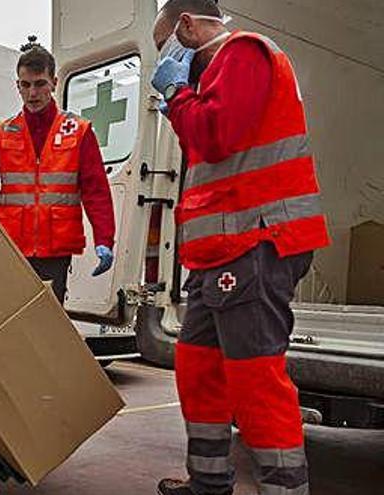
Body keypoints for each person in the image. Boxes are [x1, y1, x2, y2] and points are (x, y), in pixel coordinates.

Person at [150, 1, 330, 494]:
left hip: (256, 242)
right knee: (198, 367)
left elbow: (216, 137)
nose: (164, 62)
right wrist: (183, 99)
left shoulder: (243, 53)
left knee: (254, 379)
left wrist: (175, 91)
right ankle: (209, 483)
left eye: (164, 46)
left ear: (186, 26)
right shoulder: (214, 76)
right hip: (220, 252)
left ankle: (284, 488)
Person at [0, 36, 116, 304]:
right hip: (11, 247)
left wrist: (105, 238)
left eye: (40, 84)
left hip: (54, 252)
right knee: (10, 317)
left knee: (47, 324)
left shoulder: (79, 132)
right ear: (18, 86)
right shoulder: (2, 134)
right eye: (25, 85)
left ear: (54, 84)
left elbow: (96, 191)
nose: (32, 93)